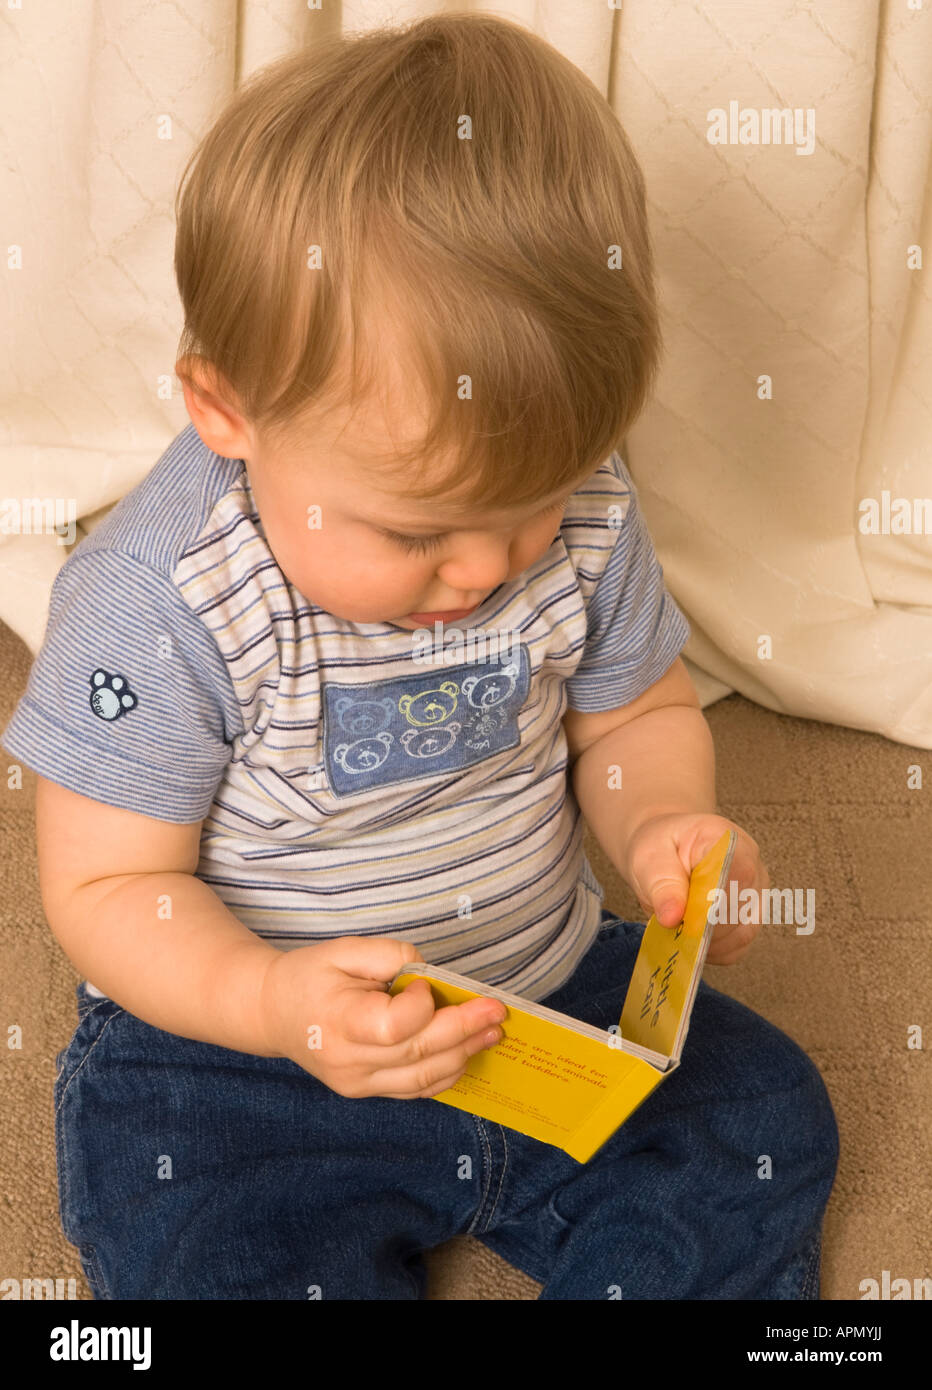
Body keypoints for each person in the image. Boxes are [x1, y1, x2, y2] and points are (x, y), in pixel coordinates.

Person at [2, 13, 838, 1300]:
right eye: (415, 529)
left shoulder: (583, 510)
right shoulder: (157, 600)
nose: (489, 566)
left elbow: (628, 716)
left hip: (540, 992)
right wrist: (275, 1003)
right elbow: (110, 890)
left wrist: (665, 820)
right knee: (197, 1232)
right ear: (227, 409)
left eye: (532, 504)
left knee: (760, 1118)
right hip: (249, 1052)